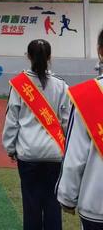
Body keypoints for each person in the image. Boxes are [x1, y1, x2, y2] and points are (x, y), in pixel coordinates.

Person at [2, 39, 69, 230]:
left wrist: (10, 147)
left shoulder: (19, 85)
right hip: (54, 154)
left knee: (31, 205)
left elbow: (12, 120)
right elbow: (66, 121)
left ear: (28, 57)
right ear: (50, 57)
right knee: (52, 204)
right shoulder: (61, 85)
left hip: (28, 153)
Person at [57, 28, 103, 229]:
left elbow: (75, 156)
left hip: (96, 204)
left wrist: (67, 197)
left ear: (100, 51)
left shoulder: (87, 95)